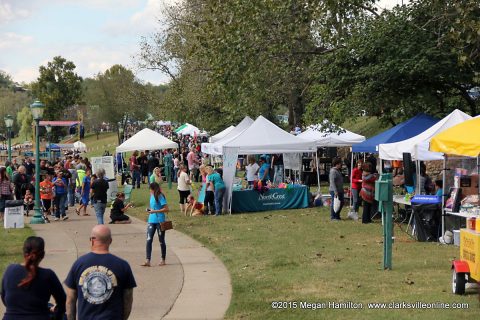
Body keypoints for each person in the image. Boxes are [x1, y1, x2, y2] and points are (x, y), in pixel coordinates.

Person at [65, 225, 136, 320]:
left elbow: (70, 300)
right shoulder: (123, 265)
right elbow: (128, 300)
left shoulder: (79, 264)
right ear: (110, 241)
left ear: (92, 240)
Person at [1, 236, 66, 320]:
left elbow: (4, 297)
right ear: (42, 255)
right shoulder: (48, 275)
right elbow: (63, 303)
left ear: (23, 252)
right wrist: (55, 315)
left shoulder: (9, 270)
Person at [141, 182, 169, 267]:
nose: (150, 190)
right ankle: (147, 260)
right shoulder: (151, 196)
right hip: (151, 220)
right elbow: (153, 207)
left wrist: (155, 211)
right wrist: (150, 210)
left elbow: (166, 209)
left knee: (161, 241)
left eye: (150, 189)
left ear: (153, 189)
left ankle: (163, 259)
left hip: (160, 221)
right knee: (149, 240)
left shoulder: (160, 196)